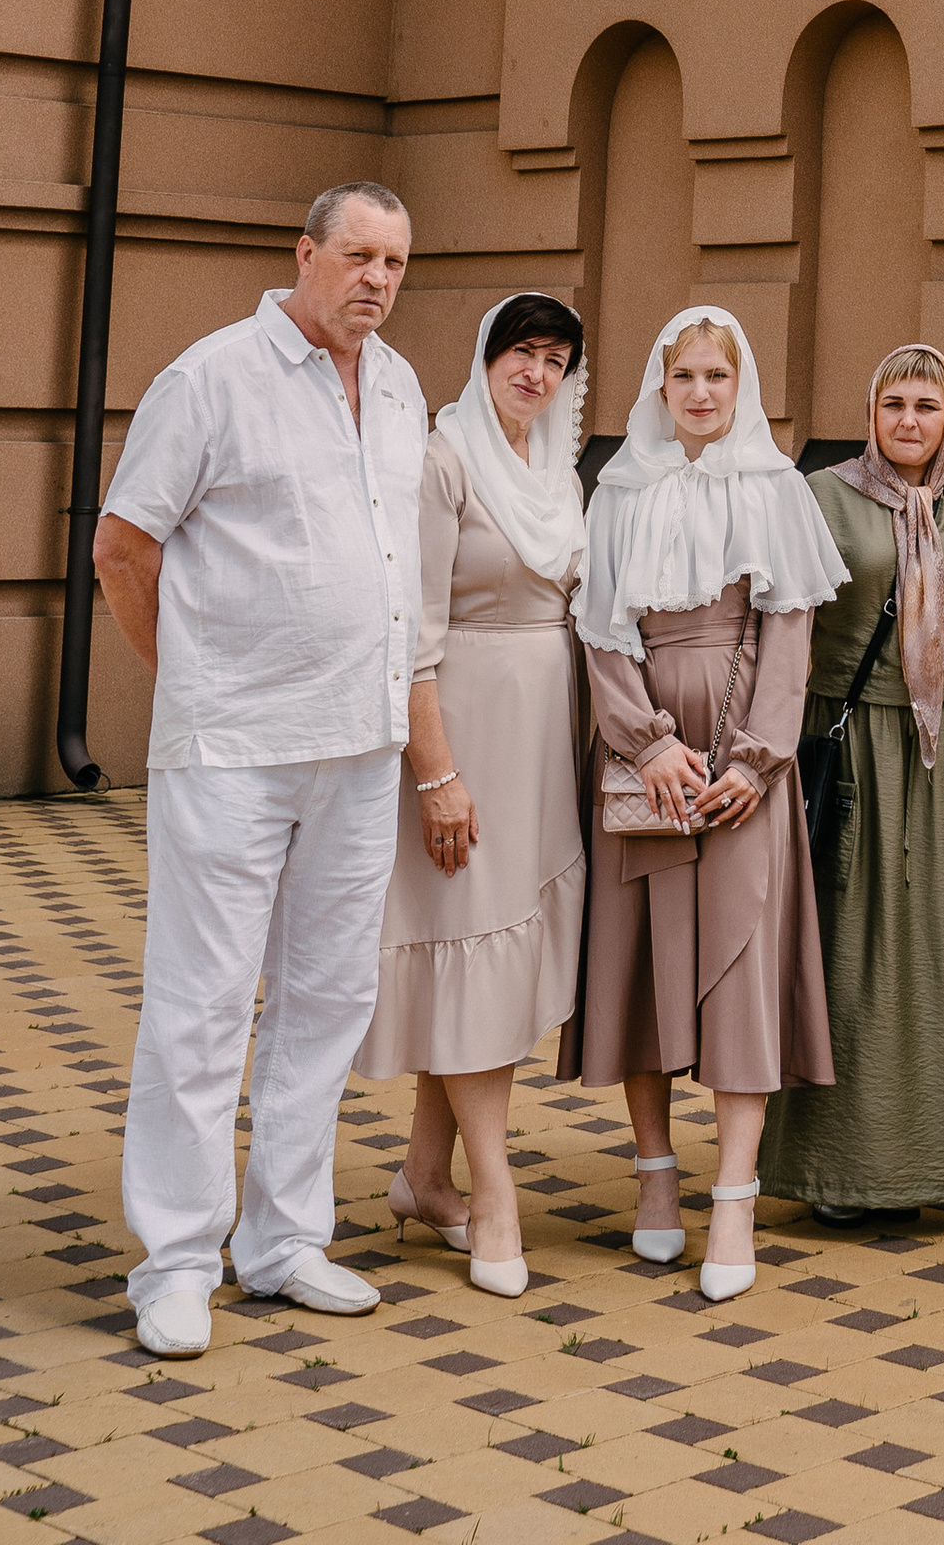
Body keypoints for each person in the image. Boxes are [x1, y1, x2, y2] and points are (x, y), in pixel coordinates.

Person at [95, 182, 430, 1358]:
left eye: (394, 261)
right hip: (233, 750)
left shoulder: (397, 387)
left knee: (327, 998)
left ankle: (284, 1242)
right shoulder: (210, 378)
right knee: (200, 1005)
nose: (376, 280)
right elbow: (123, 548)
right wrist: (193, 684)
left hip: (360, 743)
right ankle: (176, 1260)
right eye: (356, 255)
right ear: (305, 253)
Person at [574, 304, 846, 1304]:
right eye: (681, 376)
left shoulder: (773, 488)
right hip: (645, 747)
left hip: (740, 758)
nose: (698, 394)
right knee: (645, 960)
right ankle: (654, 1181)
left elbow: (790, 633)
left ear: (742, 389)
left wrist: (757, 759)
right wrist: (643, 744)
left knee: (738, 966)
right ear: (659, 386)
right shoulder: (618, 489)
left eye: (715, 379)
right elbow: (599, 632)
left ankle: (732, 1195)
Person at [760, 343, 944, 1218]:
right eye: (894, 404)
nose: (909, 422)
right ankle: (850, 1169)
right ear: (870, 413)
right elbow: (785, 624)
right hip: (854, 744)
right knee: (857, 948)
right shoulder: (820, 497)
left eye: (927, 407)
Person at [356, 294, 591, 1298]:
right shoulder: (442, 459)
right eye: (520, 353)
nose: (535, 374)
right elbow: (413, 629)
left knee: (489, 955)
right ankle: (494, 1194)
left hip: (546, 734)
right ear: (485, 356)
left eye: (556, 358)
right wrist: (436, 774)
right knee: (470, 951)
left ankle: (423, 1176)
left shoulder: (556, 470)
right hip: (466, 733)